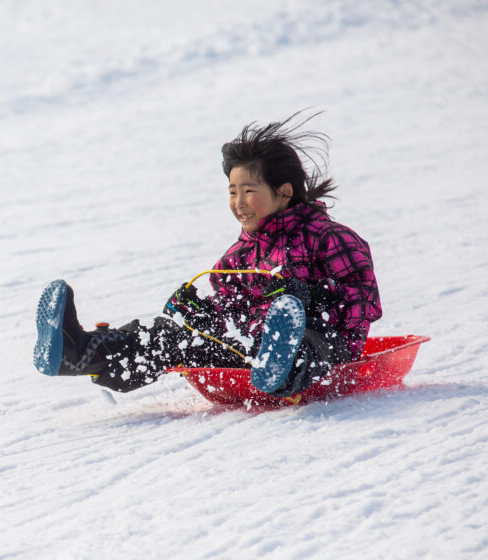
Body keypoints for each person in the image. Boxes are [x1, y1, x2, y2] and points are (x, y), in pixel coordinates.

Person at [33, 113, 382, 397]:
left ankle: (281, 365)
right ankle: (75, 351)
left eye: (249, 191)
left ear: (284, 192)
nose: (239, 203)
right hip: (247, 349)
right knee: (163, 335)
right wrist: (199, 315)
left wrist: (314, 300)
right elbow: (229, 311)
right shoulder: (238, 257)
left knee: (305, 344)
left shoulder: (328, 238)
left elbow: (364, 300)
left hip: (325, 348)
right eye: (233, 192)